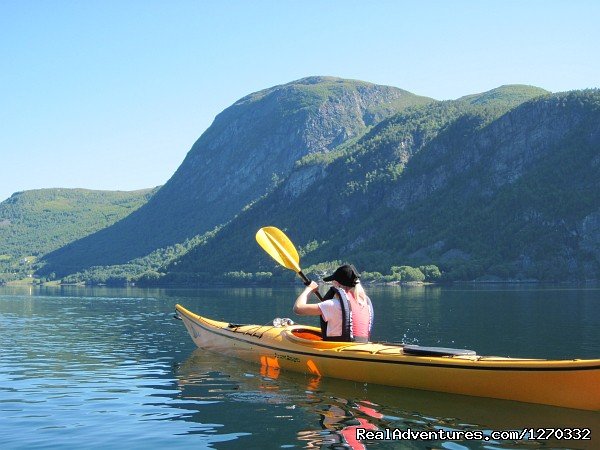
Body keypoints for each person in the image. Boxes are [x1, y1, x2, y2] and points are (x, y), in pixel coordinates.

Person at [293, 264, 373, 342]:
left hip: (339, 349)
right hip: (360, 346)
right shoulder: (364, 303)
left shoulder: (333, 305)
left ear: (337, 284)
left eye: (333, 282)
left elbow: (298, 308)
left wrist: (309, 289)